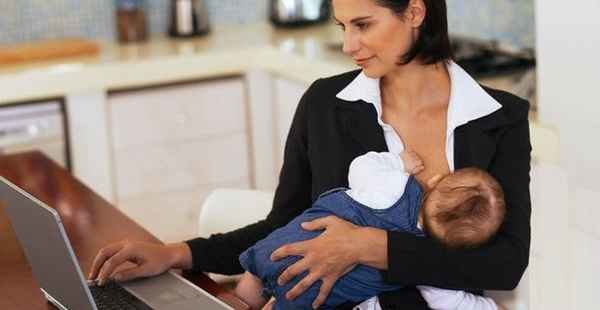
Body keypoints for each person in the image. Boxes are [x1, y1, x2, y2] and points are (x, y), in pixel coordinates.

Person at [88, 0, 531, 309]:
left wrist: (368, 246)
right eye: (343, 27)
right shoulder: (326, 103)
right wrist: (175, 253)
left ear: (415, 11)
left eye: (363, 25)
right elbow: (285, 223)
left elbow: (504, 265)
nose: (348, 45)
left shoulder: (499, 119)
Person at [234, 150, 505, 310]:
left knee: (249, 285)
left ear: (435, 181)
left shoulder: (394, 186)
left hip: (282, 246)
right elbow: (451, 303)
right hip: (309, 295)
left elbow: (360, 166)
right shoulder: (422, 261)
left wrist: (399, 162)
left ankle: (238, 299)